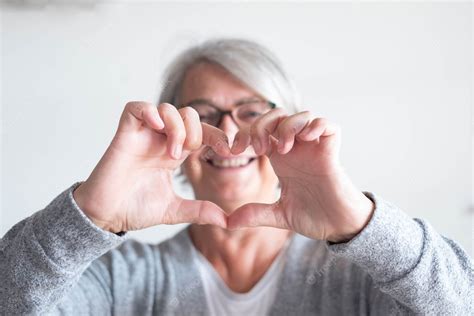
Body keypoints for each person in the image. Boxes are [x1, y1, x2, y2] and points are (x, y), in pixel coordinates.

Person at [0, 38, 472, 315]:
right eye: (203, 115)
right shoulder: (125, 280)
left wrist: (361, 223)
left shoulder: (359, 278)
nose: (227, 131)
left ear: (289, 126)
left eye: (250, 112)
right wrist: (90, 214)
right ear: (174, 140)